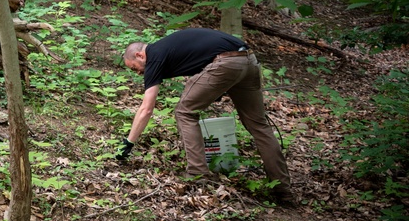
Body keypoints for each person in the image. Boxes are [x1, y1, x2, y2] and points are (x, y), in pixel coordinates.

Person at [117, 27, 296, 206]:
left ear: (140, 55)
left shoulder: (154, 55)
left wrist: (129, 143)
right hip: (248, 60)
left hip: (226, 63)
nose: (139, 73)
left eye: (135, 68)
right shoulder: (168, 48)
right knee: (259, 126)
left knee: (184, 112)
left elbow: (147, 108)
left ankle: (197, 174)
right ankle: (283, 191)